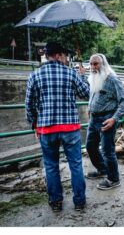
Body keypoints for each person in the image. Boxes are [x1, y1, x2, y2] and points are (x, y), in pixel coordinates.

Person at [25, 42, 90, 212]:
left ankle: (56, 202)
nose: (67, 59)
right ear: (58, 55)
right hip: (70, 128)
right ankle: (79, 202)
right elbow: (86, 93)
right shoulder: (71, 73)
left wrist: (34, 124)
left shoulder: (35, 75)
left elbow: (29, 104)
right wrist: (82, 76)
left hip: (46, 128)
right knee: (75, 165)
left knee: (51, 166)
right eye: (65, 55)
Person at [85, 53, 124, 190]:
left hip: (107, 119)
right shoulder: (94, 77)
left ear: (103, 64)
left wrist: (114, 118)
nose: (93, 67)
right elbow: (93, 94)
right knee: (90, 146)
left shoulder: (112, 79)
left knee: (107, 150)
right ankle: (102, 169)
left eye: (96, 64)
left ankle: (113, 179)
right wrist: (90, 108)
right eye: (91, 64)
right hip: (94, 118)